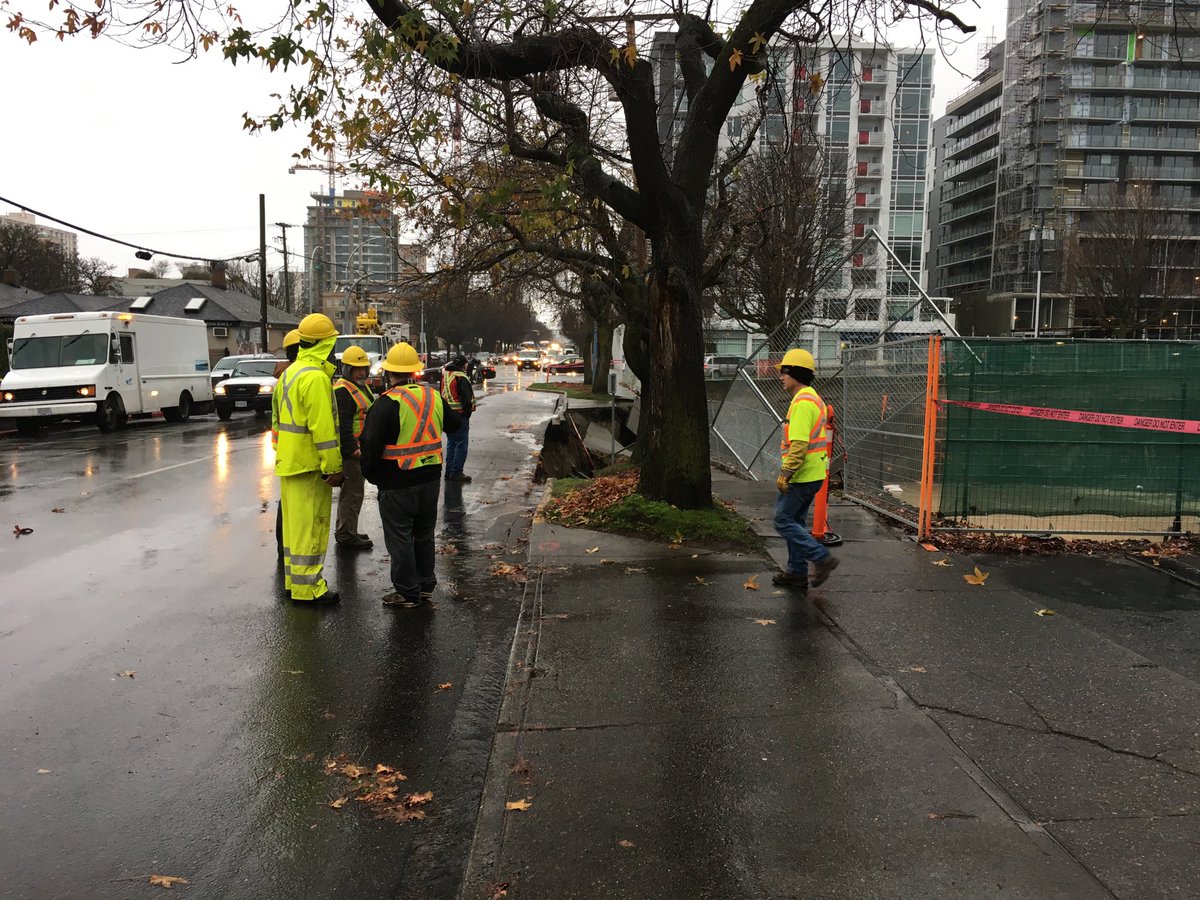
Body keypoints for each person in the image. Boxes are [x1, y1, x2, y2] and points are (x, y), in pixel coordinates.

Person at [361, 342, 464, 609]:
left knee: (401, 537)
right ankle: (425, 584)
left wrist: (372, 476)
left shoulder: (385, 403)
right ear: (415, 372)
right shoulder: (432, 396)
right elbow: (454, 425)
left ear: (389, 373)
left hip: (397, 481)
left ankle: (407, 592)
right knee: (423, 533)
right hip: (430, 478)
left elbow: (370, 446)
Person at [272, 313, 345, 605]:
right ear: (324, 343)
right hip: (309, 465)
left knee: (294, 530)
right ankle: (309, 589)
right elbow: (323, 431)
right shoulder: (315, 378)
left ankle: (294, 583)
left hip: (289, 463)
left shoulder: (290, 373)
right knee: (311, 529)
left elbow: (277, 422)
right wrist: (334, 468)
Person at [773, 348, 839, 590]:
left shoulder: (801, 403)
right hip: (814, 475)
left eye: (785, 373)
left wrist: (785, 472)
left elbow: (799, 445)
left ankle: (821, 558)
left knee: (782, 521)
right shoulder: (815, 399)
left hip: (800, 475)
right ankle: (797, 573)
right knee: (796, 522)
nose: (781, 377)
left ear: (796, 374)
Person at [333, 345, 376, 549]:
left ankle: (346, 529)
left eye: (364, 368)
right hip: (352, 453)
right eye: (356, 369)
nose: (361, 372)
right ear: (347, 369)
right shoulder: (343, 390)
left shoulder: (360, 386)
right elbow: (342, 425)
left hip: (360, 449)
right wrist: (352, 449)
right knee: (353, 492)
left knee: (352, 492)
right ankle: (346, 535)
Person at [274, 328, 301, 560]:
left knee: (286, 505)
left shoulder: (284, 378)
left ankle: (284, 549)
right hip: (298, 454)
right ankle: (288, 551)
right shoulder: (301, 377)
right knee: (295, 509)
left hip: (284, 449)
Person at [441, 355, 476, 483]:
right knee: (461, 444)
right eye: (466, 365)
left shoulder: (446, 375)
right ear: (463, 365)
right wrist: (467, 413)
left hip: (448, 414)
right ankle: (457, 472)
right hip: (460, 414)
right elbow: (466, 399)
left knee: (451, 443)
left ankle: (449, 471)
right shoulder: (461, 376)